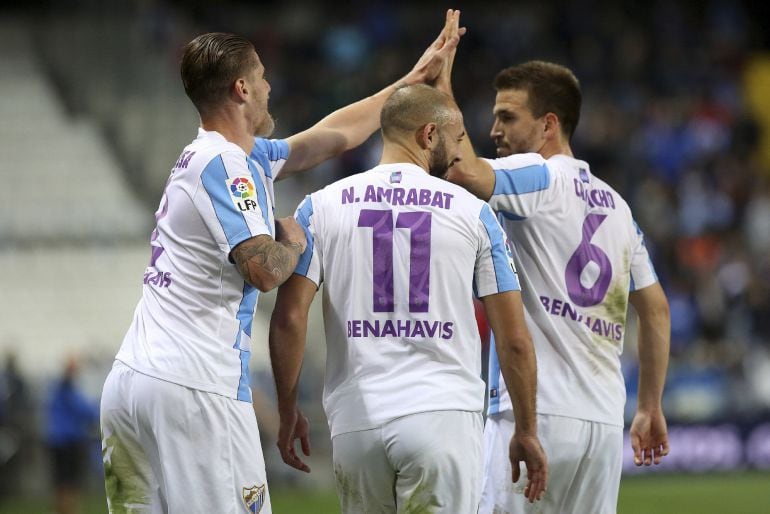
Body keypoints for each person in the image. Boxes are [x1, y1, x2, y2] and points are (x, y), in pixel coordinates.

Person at [99, 12, 462, 514]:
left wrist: (412, 80)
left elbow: (331, 135)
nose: (271, 87)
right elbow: (265, 269)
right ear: (243, 89)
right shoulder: (226, 164)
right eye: (264, 77)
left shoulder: (217, 157)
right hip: (195, 385)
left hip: (133, 384)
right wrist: (292, 239)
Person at [269, 83, 547, 513]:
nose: (458, 154)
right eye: (455, 140)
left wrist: (288, 408)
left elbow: (289, 318)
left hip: (357, 422)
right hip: (442, 417)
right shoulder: (474, 212)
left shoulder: (320, 207)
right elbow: (513, 339)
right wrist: (526, 428)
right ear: (429, 135)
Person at [443, 60, 671, 513]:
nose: (493, 130)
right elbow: (656, 310)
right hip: (602, 424)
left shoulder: (539, 176)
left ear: (549, 124)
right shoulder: (620, 208)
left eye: (507, 117)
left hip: (535, 413)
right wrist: (649, 406)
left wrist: (442, 87)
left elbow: (462, 171)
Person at [47, 358, 99, 514]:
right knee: (71, 482)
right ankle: (71, 511)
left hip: (55, 440)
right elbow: (86, 412)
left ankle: (61, 510)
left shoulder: (55, 389)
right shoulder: (69, 390)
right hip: (70, 441)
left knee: (60, 482)